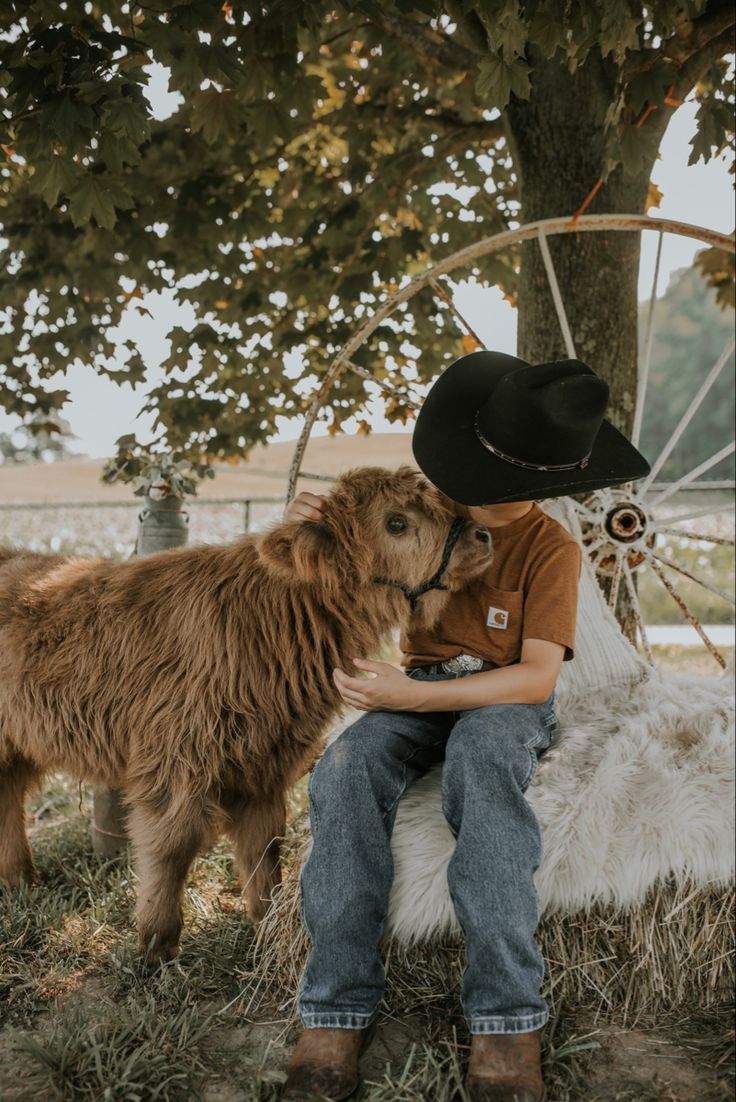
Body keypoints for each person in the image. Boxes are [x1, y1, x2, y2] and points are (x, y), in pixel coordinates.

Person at [281, 351, 651, 1102]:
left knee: (485, 767)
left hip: (505, 697)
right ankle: (335, 1007)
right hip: (419, 683)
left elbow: (539, 676)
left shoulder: (552, 549)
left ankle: (507, 1019)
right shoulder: (429, 507)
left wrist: (412, 701)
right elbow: (351, 553)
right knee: (346, 770)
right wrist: (313, 530)